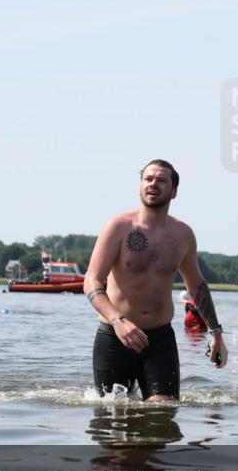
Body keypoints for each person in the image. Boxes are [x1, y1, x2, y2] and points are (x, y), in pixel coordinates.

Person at [84, 159, 228, 402]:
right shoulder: (118, 226)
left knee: (163, 413)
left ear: (173, 191)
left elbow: (197, 286)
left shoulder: (183, 235)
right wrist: (117, 321)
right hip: (116, 336)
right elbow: (92, 280)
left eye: (161, 180)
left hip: (159, 339)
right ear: (140, 186)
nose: (153, 184)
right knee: (115, 427)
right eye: (148, 179)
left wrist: (216, 334)